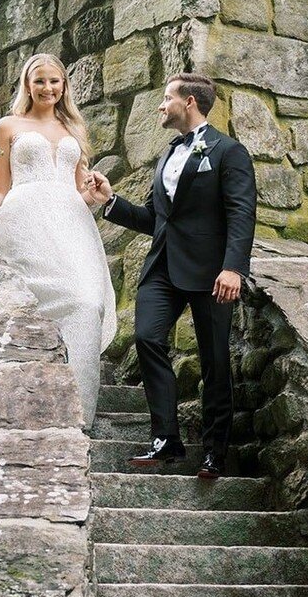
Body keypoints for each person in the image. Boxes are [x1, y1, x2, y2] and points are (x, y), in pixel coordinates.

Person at [89, 73, 257, 480]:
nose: (161, 106)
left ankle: (215, 453)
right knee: (147, 337)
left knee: (215, 361)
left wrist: (233, 267)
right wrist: (109, 201)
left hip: (213, 273)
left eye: (167, 98)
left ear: (190, 102)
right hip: (162, 267)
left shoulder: (229, 152)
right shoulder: (166, 156)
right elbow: (155, 220)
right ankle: (166, 439)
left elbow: (241, 212)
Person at [0, 53, 116, 427]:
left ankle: (77, 413)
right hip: (24, 220)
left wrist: (97, 194)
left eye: (54, 81)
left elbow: (81, 191)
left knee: (87, 302)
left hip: (72, 224)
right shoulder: (7, 127)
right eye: (39, 81)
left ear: (64, 86)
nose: (48, 88)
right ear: (28, 84)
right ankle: (29, 399)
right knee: (28, 304)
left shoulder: (73, 128)